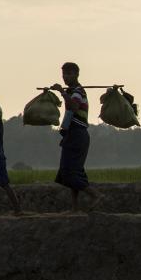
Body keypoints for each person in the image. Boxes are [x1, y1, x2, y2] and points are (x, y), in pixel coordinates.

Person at [50, 62, 98, 210]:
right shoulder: (73, 91)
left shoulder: (78, 92)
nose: (65, 77)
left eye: (68, 74)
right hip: (74, 135)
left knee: (69, 172)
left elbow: (74, 106)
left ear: (76, 74)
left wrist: (61, 92)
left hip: (77, 135)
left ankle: (95, 195)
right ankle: (75, 208)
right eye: (63, 74)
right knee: (72, 171)